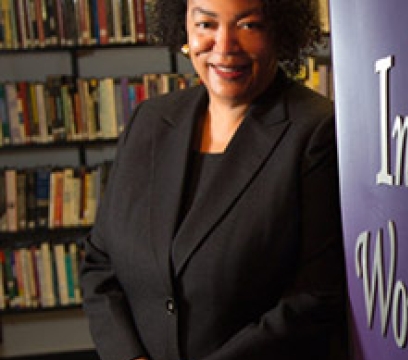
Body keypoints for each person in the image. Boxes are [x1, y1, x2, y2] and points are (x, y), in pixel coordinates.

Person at [79, 0, 348, 359]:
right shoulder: (150, 120)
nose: (224, 47)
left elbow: (316, 297)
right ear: (185, 30)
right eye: (206, 24)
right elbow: (100, 261)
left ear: (279, 32)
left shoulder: (317, 131)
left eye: (249, 26)